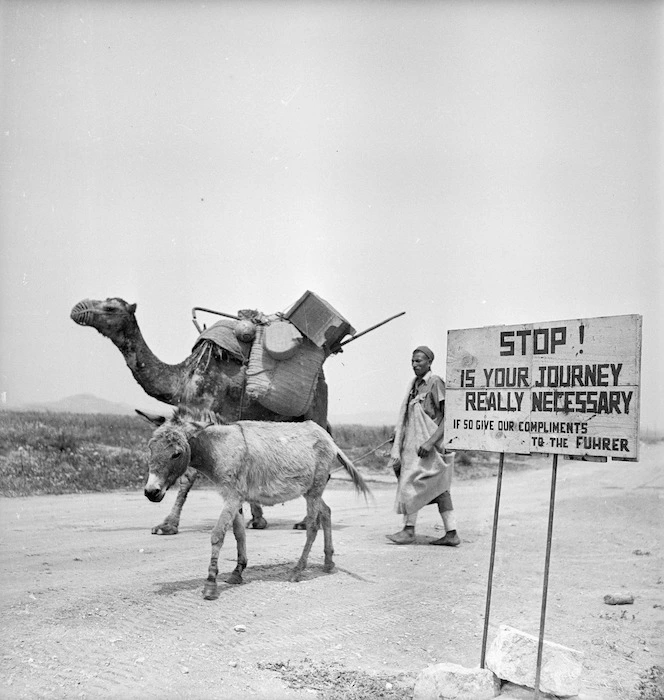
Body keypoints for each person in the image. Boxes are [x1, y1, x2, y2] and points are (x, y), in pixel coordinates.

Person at [386, 345, 460, 546]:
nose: (414, 364)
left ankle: (410, 531)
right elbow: (410, 417)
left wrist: (430, 441)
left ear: (429, 362)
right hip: (413, 447)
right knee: (425, 484)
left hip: (431, 446)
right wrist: (399, 435)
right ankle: (450, 533)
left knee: (425, 483)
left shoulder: (435, 382)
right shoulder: (414, 386)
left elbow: (450, 416)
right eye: (412, 361)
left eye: (419, 360)